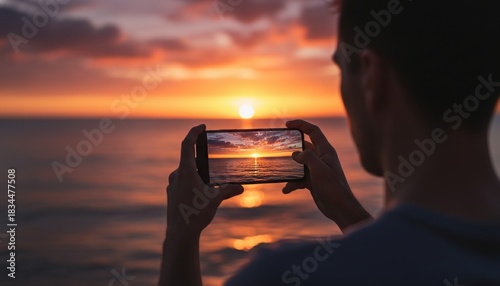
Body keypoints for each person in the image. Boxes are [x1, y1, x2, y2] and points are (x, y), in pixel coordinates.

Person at [159, 0, 500, 285]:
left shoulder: (280, 276)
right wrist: (347, 211)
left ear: (371, 77)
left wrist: (179, 237)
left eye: (341, 68)